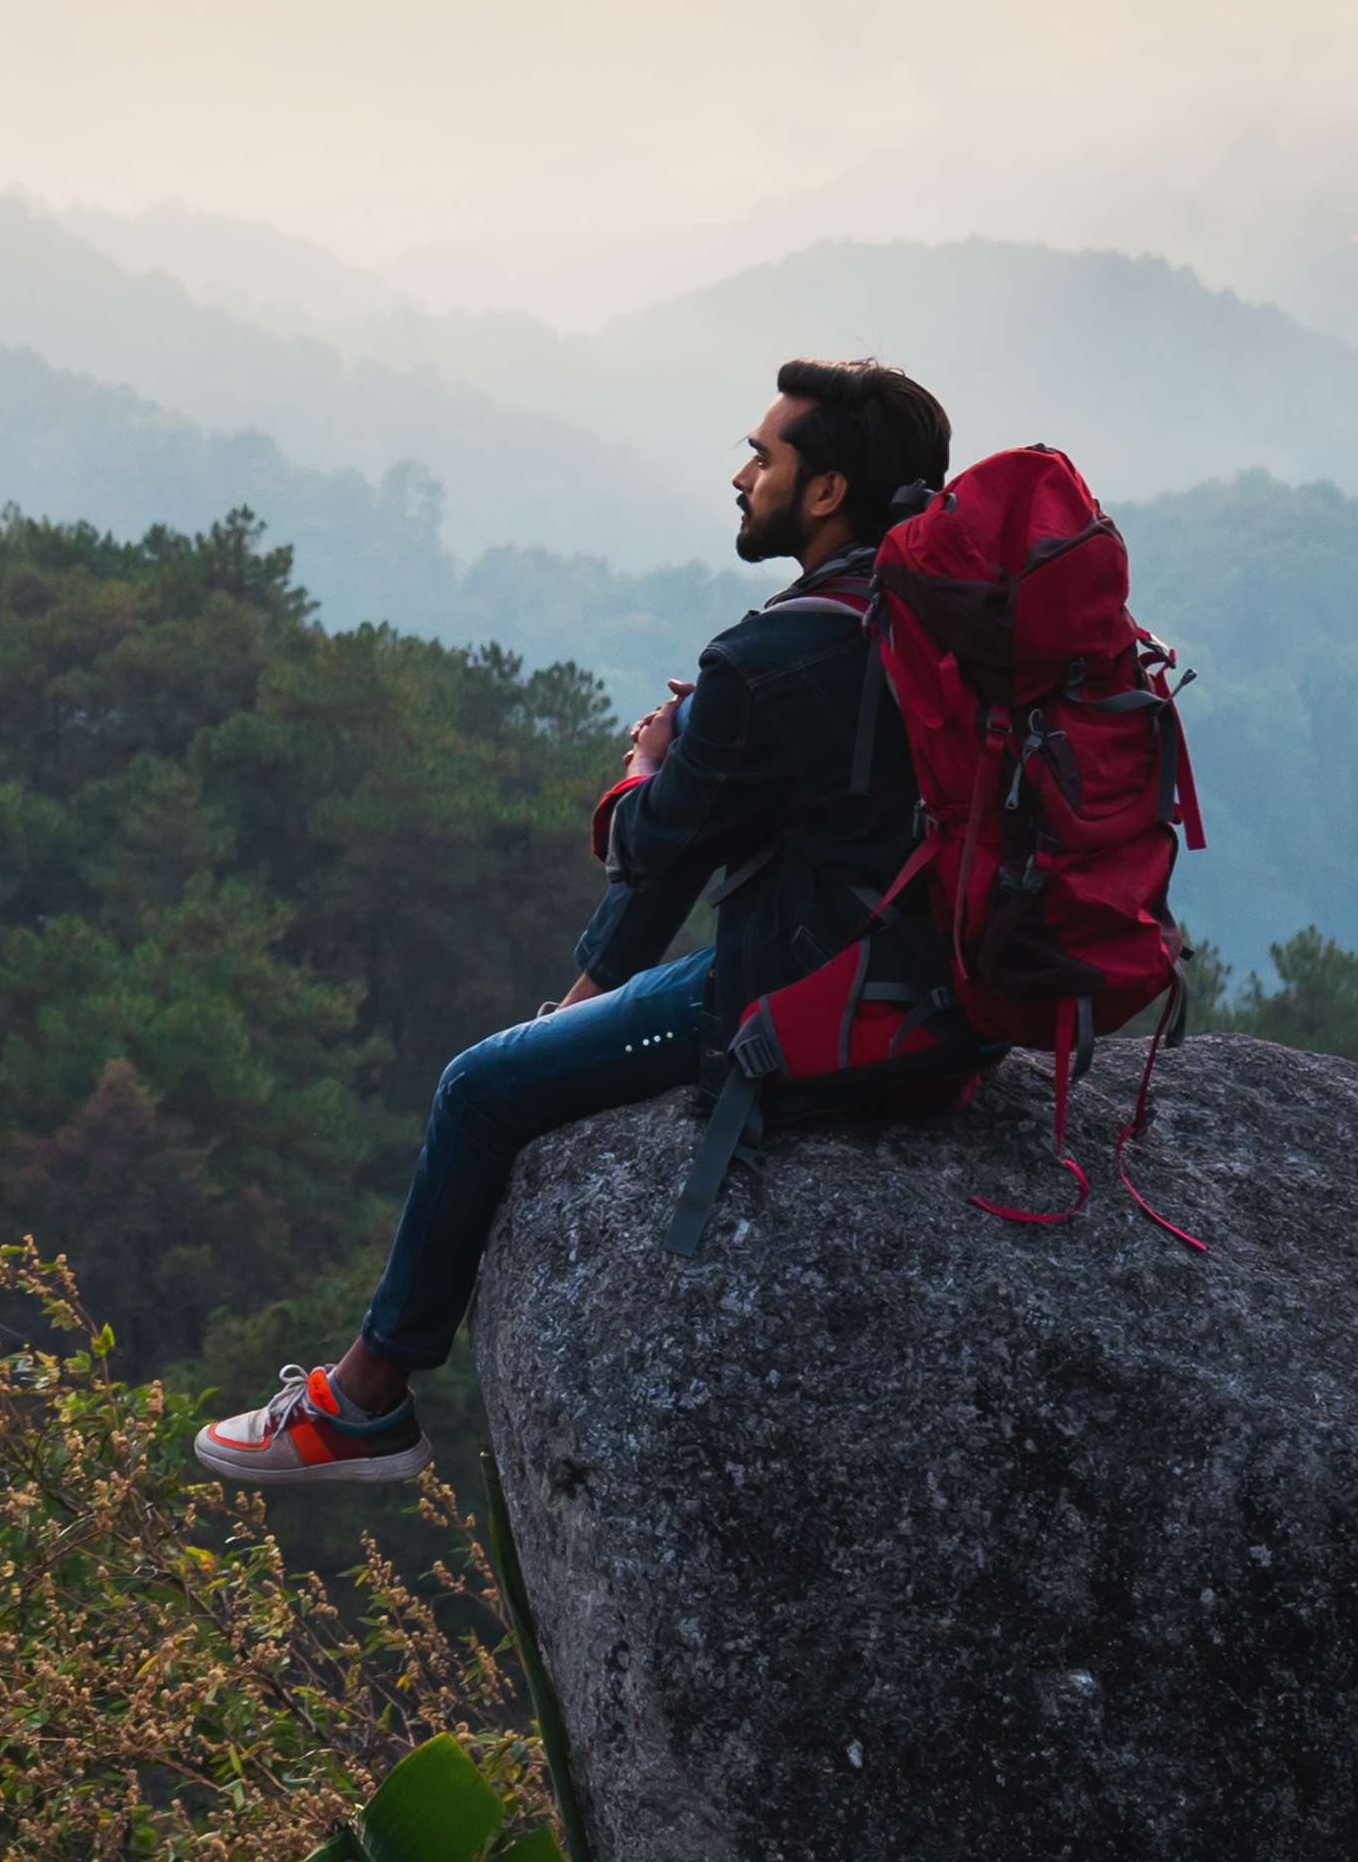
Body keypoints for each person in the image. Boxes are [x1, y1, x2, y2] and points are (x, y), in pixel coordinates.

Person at [194, 356, 953, 1487]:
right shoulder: (925, 613)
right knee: (666, 851)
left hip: (813, 996)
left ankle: (367, 1404)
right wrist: (700, 767)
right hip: (939, 981)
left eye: (765, 454)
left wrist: (649, 767)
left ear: (828, 490)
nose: (740, 474)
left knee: (481, 1090)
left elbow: (650, 846)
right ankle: (582, 1007)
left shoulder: (775, 653)